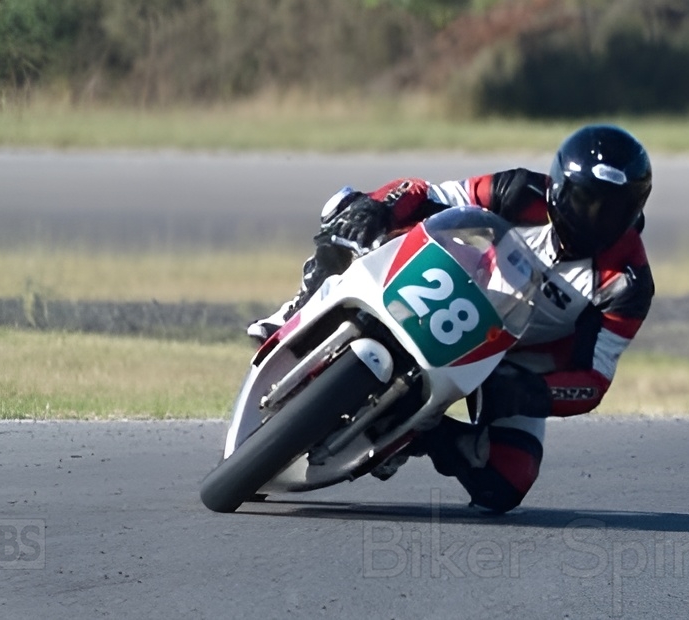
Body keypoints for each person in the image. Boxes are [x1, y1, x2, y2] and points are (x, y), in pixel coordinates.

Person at [248, 124, 654, 513]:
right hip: (460, 285)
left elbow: (594, 381)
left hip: (516, 356)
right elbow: (431, 194)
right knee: (349, 210)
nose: (594, 217)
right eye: (585, 200)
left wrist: (533, 392)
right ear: (559, 186)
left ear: (635, 210)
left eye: (612, 210)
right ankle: (299, 309)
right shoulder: (519, 190)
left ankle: (413, 431)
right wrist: (379, 206)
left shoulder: (628, 282)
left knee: (506, 481)